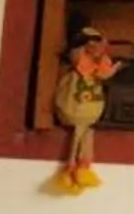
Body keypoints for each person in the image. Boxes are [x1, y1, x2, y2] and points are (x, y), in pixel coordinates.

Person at [51, 27, 120, 193]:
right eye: (91, 41)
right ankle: (71, 168)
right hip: (76, 99)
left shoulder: (100, 60)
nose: (95, 45)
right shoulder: (78, 57)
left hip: (90, 107)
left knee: (87, 131)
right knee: (79, 128)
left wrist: (112, 65)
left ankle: (82, 167)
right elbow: (79, 62)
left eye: (98, 41)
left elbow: (104, 74)